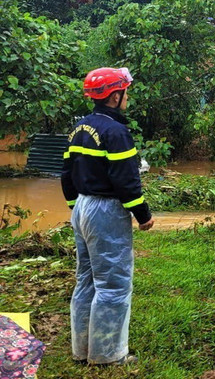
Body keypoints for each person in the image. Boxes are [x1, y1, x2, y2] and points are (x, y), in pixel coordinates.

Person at [61, 67, 154, 366]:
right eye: (125, 92)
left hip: (82, 208)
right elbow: (127, 182)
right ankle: (108, 356)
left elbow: (66, 174)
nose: (127, 97)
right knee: (113, 284)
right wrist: (143, 215)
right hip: (105, 210)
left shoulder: (80, 128)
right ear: (115, 96)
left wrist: (76, 207)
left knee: (86, 280)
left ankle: (82, 350)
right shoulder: (116, 132)